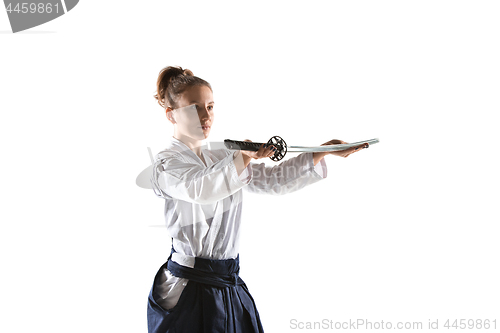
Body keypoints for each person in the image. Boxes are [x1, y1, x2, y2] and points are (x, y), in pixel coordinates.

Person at [147, 66, 369, 333]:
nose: (206, 116)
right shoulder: (166, 165)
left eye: (211, 106)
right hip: (188, 286)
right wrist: (243, 158)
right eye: (195, 107)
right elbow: (201, 188)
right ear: (171, 114)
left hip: (227, 282)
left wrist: (322, 152)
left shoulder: (221, 157)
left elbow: (273, 181)